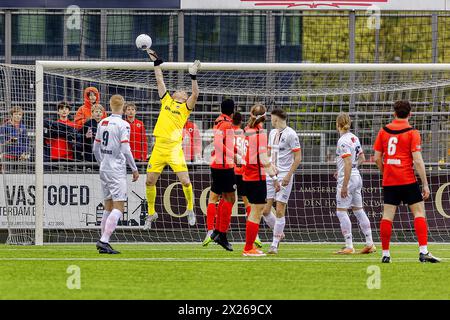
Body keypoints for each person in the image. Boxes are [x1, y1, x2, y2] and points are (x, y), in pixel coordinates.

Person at [373, 100, 440, 263]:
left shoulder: (383, 131)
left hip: (390, 181)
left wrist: (386, 172)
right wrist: (425, 183)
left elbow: (376, 158)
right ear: (410, 114)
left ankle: (385, 254)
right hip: (407, 179)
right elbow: (417, 160)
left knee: (387, 216)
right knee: (418, 213)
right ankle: (423, 252)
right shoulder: (412, 132)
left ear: (394, 113)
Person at [143, 48, 201, 229]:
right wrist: (155, 61)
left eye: (183, 92)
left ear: (184, 98)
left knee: (185, 181)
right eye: (179, 90)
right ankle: (151, 213)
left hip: (174, 148)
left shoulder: (185, 108)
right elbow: (159, 79)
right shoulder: (167, 100)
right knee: (149, 181)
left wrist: (193, 77)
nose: (180, 91)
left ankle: (190, 209)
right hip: (159, 147)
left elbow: (195, 94)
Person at [93, 95, 139, 254]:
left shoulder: (102, 122)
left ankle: (103, 240)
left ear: (110, 106)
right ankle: (104, 240)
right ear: (123, 106)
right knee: (119, 207)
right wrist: (134, 168)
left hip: (104, 168)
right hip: (116, 169)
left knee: (108, 206)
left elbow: (95, 149)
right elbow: (126, 149)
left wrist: (102, 163)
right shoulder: (124, 124)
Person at [260, 108, 302, 254]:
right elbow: (269, 153)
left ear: (276, 118)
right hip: (272, 175)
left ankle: (274, 244)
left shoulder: (291, 134)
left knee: (279, 210)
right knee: (265, 211)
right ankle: (279, 233)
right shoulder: (272, 133)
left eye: (271, 118)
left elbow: (298, 158)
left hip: (284, 176)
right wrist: (269, 168)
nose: (270, 120)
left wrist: (288, 176)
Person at [334, 113, 375, 255]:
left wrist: (345, 184)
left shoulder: (342, 141)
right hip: (357, 176)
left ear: (337, 124)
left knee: (341, 211)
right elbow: (362, 158)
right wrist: (349, 169)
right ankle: (370, 243)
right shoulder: (354, 138)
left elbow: (348, 162)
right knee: (358, 210)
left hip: (349, 178)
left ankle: (349, 245)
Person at [242, 104, 280, 257]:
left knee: (254, 212)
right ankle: (248, 248)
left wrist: (270, 165)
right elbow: (263, 159)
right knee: (256, 214)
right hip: (256, 177)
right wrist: (274, 175)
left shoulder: (247, 130)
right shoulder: (260, 133)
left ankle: (250, 246)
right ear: (265, 117)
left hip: (247, 175)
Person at [203, 99, 236, 251]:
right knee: (230, 198)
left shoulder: (218, 121)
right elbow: (217, 143)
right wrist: (233, 155)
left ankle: (216, 232)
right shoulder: (227, 123)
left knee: (219, 198)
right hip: (224, 165)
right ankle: (220, 234)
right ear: (233, 110)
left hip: (217, 164)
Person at [0, 106, 30, 171]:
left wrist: (25, 152)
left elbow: (26, 142)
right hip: (7, 157)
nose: (18, 116)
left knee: (20, 178)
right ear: (11, 115)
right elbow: (1, 142)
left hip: (20, 157)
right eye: (16, 114)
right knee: (8, 176)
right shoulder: (4, 126)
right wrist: (9, 141)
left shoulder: (23, 127)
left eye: (20, 114)